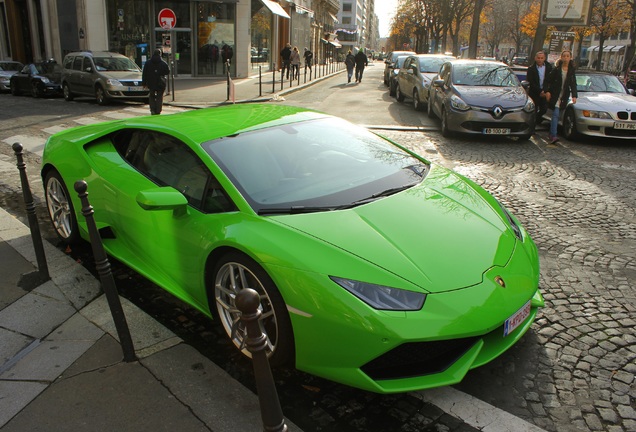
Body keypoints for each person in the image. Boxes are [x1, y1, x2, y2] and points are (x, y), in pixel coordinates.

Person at [544, 50, 577, 144]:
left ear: (570, 58)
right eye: (564, 56)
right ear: (561, 58)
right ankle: (553, 135)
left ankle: (551, 133)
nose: (566, 58)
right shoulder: (557, 69)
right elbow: (547, 80)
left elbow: (573, 83)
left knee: (558, 116)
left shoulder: (571, 71)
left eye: (568, 56)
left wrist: (574, 95)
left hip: (564, 95)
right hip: (555, 94)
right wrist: (547, 91)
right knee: (555, 114)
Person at [526, 50, 553, 125]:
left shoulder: (549, 67)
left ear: (544, 58)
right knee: (533, 110)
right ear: (535, 58)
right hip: (534, 92)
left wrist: (545, 91)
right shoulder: (531, 69)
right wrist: (539, 91)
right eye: (538, 58)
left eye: (541, 58)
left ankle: (537, 121)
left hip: (545, 92)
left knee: (544, 109)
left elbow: (550, 80)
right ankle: (532, 127)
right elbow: (531, 82)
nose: (540, 60)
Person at [142, 49, 170, 115]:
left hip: (151, 82)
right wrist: (161, 73)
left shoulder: (148, 63)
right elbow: (167, 71)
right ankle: (158, 110)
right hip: (160, 82)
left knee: (151, 96)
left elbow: (144, 73)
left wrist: (144, 83)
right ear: (160, 54)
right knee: (159, 96)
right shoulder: (163, 63)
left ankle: (152, 109)